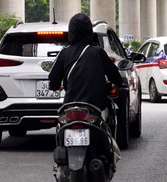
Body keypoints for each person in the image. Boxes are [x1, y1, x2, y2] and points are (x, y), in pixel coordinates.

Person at [48, 13, 124, 151]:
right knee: (110, 121)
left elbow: (52, 80)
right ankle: (108, 154)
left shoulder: (64, 53)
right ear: (89, 31)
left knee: (60, 129)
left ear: (71, 31)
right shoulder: (98, 52)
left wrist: (56, 87)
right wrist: (117, 83)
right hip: (96, 107)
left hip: (70, 106)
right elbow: (115, 76)